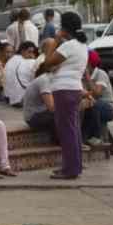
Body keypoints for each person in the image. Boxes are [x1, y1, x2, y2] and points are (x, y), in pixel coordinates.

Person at [36, 12, 89, 180]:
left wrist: (55, 41)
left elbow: (47, 62)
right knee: (73, 129)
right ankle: (74, 166)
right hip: (74, 89)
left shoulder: (69, 46)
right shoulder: (82, 45)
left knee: (66, 131)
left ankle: (70, 169)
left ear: (65, 28)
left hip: (63, 90)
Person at [81, 50, 113, 147]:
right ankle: (83, 139)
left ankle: (96, 137)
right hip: (91, 106)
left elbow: (97, 94)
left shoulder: (101, 74)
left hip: (108, 108)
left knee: (94, 103)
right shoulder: (80, 76)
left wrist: (88, 78)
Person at [3, 42, 37, 107]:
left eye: (33, 52)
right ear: (22, 51)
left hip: (8, 97)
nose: (31, 55)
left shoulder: (12, 60)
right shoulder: (28, 62)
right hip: (20, 100)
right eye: (29, 52)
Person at [22, 68, 55, 133]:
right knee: (62, 115)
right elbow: (51, 107)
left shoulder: (49, 79)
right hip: (33, 117)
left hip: (40, 113)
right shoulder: (44, 80)